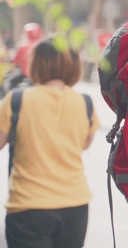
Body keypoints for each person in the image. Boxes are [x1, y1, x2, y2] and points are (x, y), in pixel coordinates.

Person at [0, 37, 100, 248]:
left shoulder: (16, 100)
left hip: (29, 207)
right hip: (75, 206)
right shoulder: (85, 103)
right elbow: (83, 144)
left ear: (35, 64)